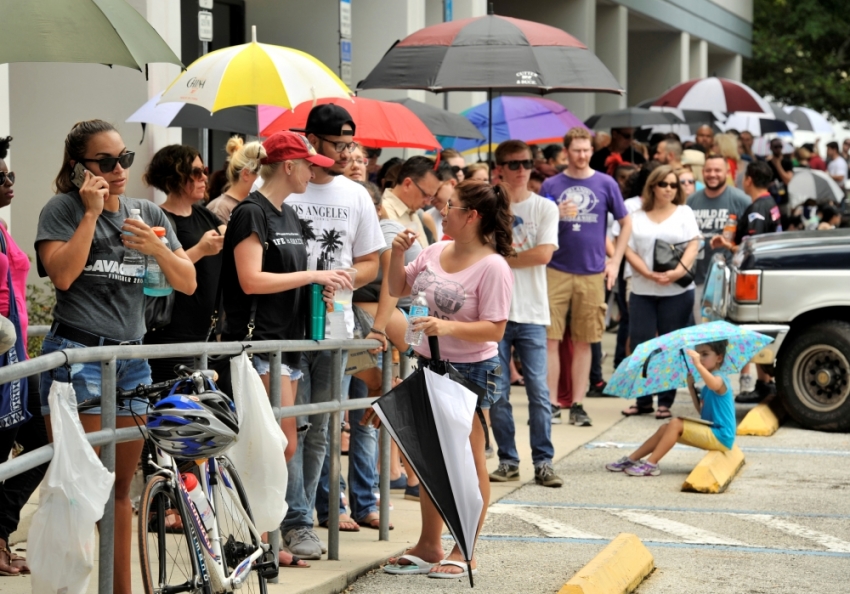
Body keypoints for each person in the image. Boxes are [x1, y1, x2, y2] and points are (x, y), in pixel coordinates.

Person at [35, 120, 196, 594]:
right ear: (79, 166)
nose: (120, 169)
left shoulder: (147, 212)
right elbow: (62, 277)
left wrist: (155, 247)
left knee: (120, 490)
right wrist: (90, 214)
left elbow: (185, 281)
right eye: (106, 162)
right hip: (78, 354)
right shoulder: (62, 209)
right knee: (78, 492)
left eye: (124, 158)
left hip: (131, 359)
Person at [222, 132, 351, 565]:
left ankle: (262, 538)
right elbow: (250, 280)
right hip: (257, 344)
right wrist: (312, 278)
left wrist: (319, 291)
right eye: (308, 164)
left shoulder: (289, 213)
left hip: (286, 347)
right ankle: (253, 542)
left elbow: (287, 278)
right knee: (265, 447)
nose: (315, 171)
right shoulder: (251, 213)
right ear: (289, 166)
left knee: (282, 446)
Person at [381, 180, 513, 578]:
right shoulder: (436, 250)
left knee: (469, 460)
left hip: (471, 371)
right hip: (429, 366)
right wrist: (396, 254)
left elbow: (495, 330)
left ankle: (465, 546)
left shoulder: (493, 266)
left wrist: (447, 327)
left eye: (450, 206)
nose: (442, 211)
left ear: (471, 216)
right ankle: (429, 543)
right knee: (430, 458)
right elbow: (396, 287)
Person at [283, 104, 384, 559]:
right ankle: (296, 520)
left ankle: (302, 516)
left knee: (323, 426)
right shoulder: (289, 189)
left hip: (336, 325)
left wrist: (345, 279)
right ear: (313, 141)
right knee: (292, 427)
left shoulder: (356, 194)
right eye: (338, 144)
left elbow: (370, 262)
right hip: (285, 325)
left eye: (350, 144)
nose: (346, 152)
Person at [541, 127, 631, 426]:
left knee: (585, 340)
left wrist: (615, 261)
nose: (582, 155)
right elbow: (539, 225)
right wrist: (555, 212)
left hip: (593, 271)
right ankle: (552, 403)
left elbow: (625, 221)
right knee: (550, 339)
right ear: (566, 151)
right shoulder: (552, 185)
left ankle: (578, 403)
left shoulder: (606, 183)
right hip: (555, 269)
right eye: (576, 150)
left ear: (592, 151)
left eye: (586, 150)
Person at [486, 140, 562, 488]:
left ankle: (543, 461)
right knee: (498, 392)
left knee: (538, 391)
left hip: (531, 310)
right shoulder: (488, 206)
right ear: (499, 167)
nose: (521, 170)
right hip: (493, 311)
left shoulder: (545, 207)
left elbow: (544, 254)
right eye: (513, 164)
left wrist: (499, 256)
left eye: (527, 163)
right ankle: (508, 459)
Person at [352, 181, 420, 501]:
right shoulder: (357, 236)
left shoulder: (387, 236)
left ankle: (405, 472)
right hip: (363, 333)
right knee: (389, 391)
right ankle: (400, 472)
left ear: (378, 209)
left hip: (386, 331)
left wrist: (382, 327)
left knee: (401, 389)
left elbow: (400, 294)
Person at [0, 136, 47, 577]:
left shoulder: (1, 228)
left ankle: (0, 530)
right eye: (1, 177)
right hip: (2, 357)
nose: (10, 182)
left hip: (15, 356)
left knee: (41, 441)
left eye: (10, 173)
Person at [622, 166, 699, 419]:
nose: (669, 189)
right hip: (643, 289)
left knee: (670, 346)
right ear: (652, 186)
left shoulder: (684, 212)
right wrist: (645, 272)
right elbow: (626, 248)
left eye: (673, 185)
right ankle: (642, 400)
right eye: (664, 184)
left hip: (677, 290)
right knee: (642, 344)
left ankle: (665, 402)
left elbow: (694, 244)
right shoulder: (636, 215)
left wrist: (677, 272)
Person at [143, 145, 225, 381]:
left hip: (205, 332)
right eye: (196, 172)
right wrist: (201, 249)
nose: (204, 178)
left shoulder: (205, 214)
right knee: (173, 409)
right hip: (171, 333)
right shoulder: (159, 218)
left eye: (204, 170)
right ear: (175, 176)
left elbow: (234, 240)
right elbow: (158, 270)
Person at [709, 161, 782, 404]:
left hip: (756, 278)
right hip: (768, 275)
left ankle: (763, 383)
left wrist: (725, 244)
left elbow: (751, 248)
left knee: (754, 330)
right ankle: (764, 382)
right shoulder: (770, 203)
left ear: (749, 179)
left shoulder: (756, 210)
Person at [606, 341, 734, 476]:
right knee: (665, 428)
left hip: (722, 436)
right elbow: (702, 412)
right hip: (713, 431)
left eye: (705, 354)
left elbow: (715, 384)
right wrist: (691, 388)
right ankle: (632, 459)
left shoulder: (720, 378)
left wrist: (697, 364)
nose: (699, 358)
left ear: (719, 358)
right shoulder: (707, 386)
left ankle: (651, 464)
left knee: (675, 423)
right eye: (697, 354)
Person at [686, 155, 750, 324]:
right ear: (702, 172)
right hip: (698, 277)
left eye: (717, 170)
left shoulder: (740, 199)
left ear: (727, 172)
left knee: (724, 331)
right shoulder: (692, 200)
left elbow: (750, 240)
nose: (712, 174)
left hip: (728, 278)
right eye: (708, 170)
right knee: (702, 330)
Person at [381, 156, 441, 249]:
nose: (428, 203)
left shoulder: (413, 211)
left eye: (431, 197)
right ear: (407, 184)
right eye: (426, 195)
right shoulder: (381, 211)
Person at [207, 137, 262, 223]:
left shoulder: (254, 204)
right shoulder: (220, 209)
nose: (264, 180)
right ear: (246, 174)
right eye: (261, 174)